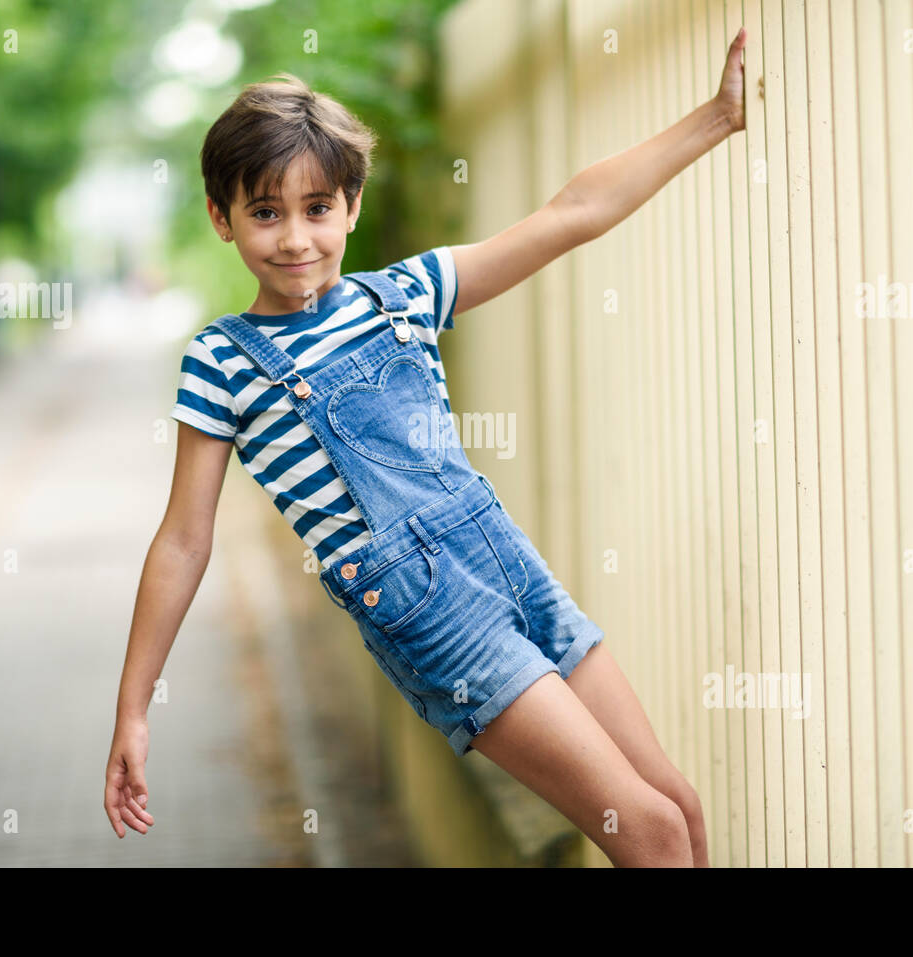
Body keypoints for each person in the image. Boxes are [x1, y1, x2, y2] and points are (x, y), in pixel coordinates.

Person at [105, 26, 748, 868]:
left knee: (678, 810)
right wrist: (135, 707)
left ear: (352, 206)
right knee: (650, 832)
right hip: (428, 614)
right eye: (266, 212)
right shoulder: (222, 362)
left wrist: (717, 117)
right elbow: (185, 540)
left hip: (508, 561)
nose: (296, 238)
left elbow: (570, 212)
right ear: (221, 218)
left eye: (317, 208)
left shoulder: (405, 294)